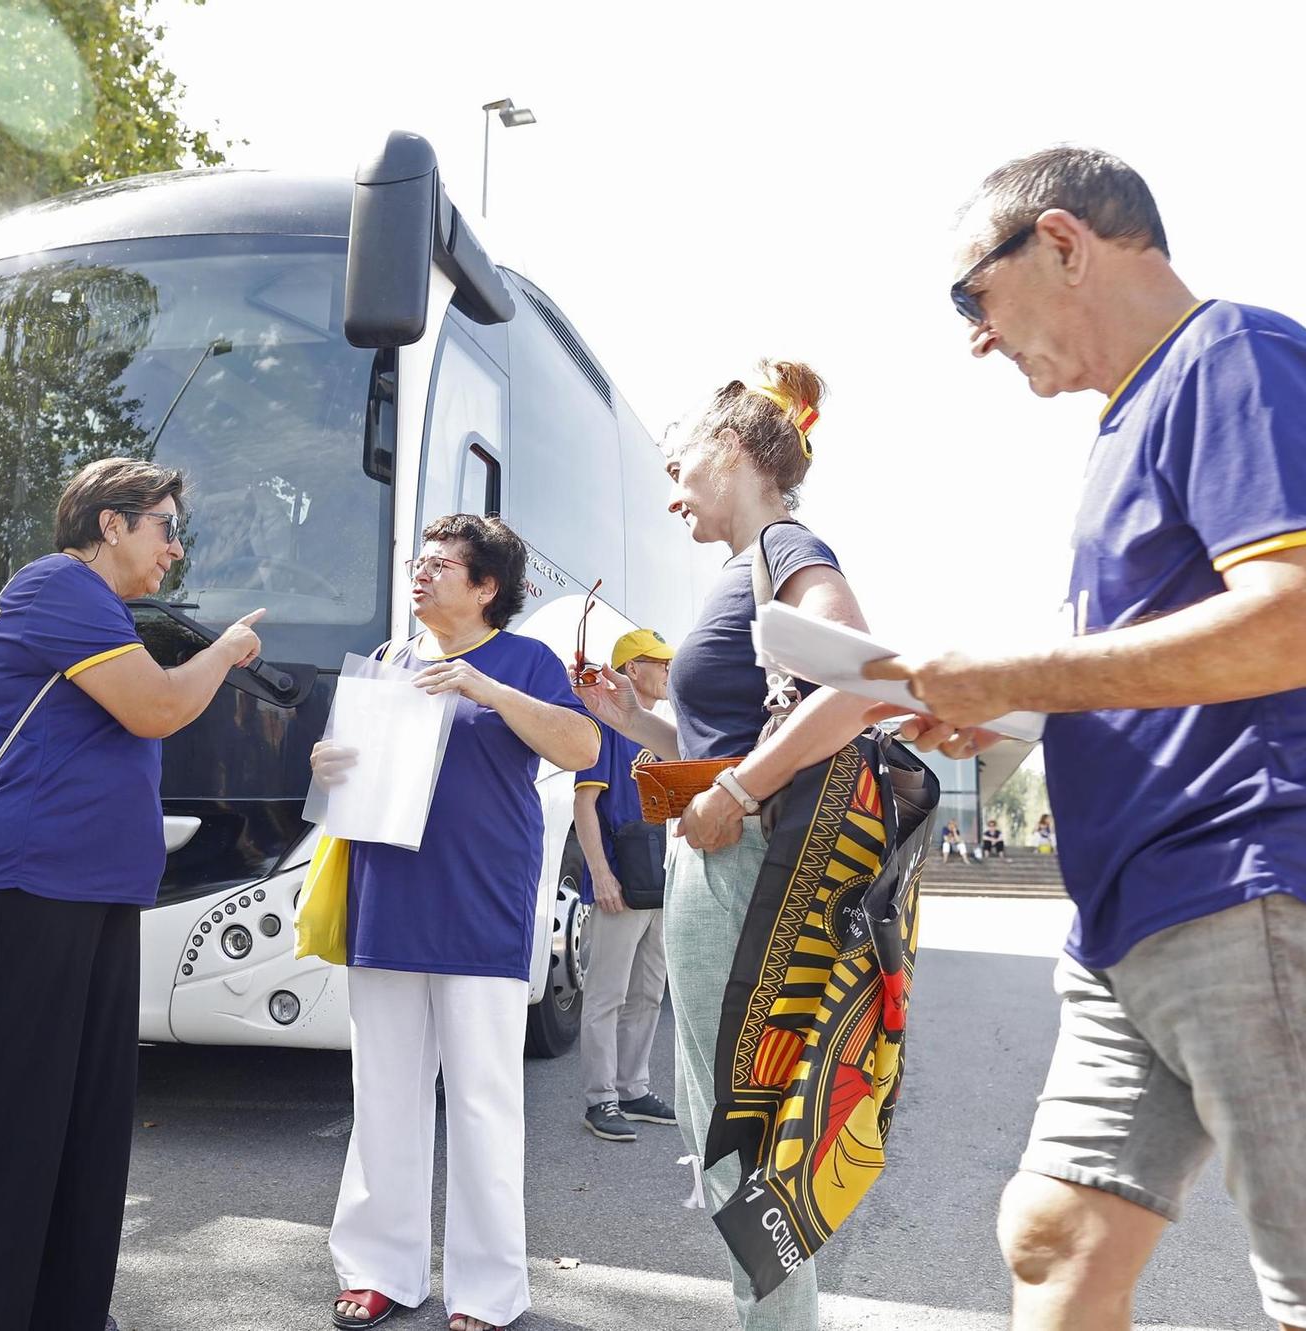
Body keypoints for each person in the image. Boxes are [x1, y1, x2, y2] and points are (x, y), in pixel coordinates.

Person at [871, 146, 1306, 1331]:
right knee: (1055, 1237)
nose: (973, 336)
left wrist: (1017, 668)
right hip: (1139, 905)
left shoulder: (1236, 357)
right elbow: (1173, 663)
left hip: (1258, 879)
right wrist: (1014, 707)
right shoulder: (1130, 422)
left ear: (1063, 243)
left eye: (970, 295)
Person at [0, 459, 264, 1331]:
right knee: (0, 1108)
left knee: (80, 1115)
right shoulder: (56, 584)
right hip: (32, 883)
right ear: (112, 523)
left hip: (87, 889)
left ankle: (60, 1307)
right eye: (166, 525)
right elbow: (156, 709)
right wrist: (227, 649)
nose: (176, 547)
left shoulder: (97, 608)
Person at [575, 359, 880, 1331]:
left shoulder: (784, 546)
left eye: (678, 467)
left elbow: (857, 680)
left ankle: (775, 1320)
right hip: (722, 864)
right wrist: (637, 718)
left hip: (743, 871)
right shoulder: (742, 567)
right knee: (731, 1129)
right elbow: (720, 742)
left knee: (736, 1137)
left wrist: (739, 787)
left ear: (735, 451)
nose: (669, 494)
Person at [312, 514, 598, 1331]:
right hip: (387, 903)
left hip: (481, 907)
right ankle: (378, 1270)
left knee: (482, 1100)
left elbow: (581, 745)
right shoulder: (387, 663)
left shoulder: (525, 660)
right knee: (385, 1096)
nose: (422, 573)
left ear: (486, 588)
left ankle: (488, 1291)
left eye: (442, 565)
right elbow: (345, 772)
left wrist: (490, 690)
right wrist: (326, 765)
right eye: (420, 561)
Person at [573, 628, 677, 1143]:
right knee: (607, 993)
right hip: (621, 880)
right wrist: (600, 873)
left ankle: (633, 1088)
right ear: (631, 670)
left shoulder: (664, 732)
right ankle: (601, 1098)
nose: (667, 670)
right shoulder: (606, 725)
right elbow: (585, 804)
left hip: (660, 881)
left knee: (648, 991)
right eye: (657, 662)